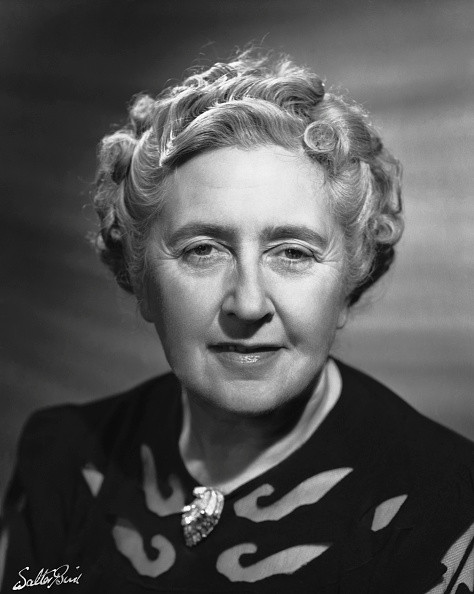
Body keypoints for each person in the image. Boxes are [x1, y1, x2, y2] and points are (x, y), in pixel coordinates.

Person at [1, 50, 473, 594]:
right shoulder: (63, 458)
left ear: (350, 284)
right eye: (203, 249)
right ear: (141, 280)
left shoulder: (448, 504)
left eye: (293, 252)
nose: (248, 305)